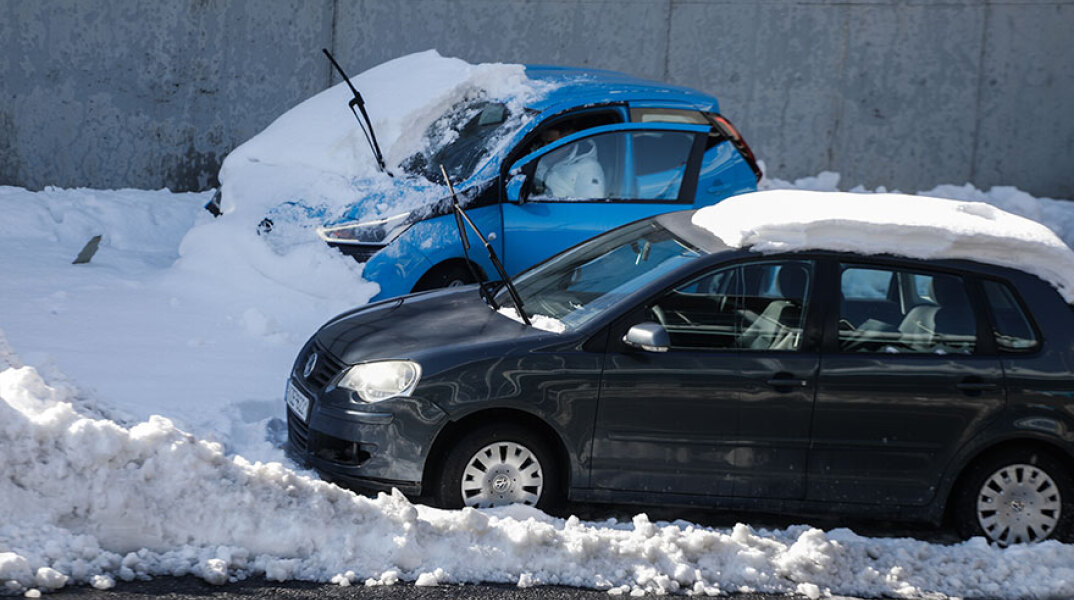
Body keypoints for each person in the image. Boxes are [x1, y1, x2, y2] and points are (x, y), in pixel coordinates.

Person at [532, 126, 606, 199]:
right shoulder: (540, 160)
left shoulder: (589, 168)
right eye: (543, 142)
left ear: (567, 143)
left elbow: (590, 208)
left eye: (550, 142)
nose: (544, 147)